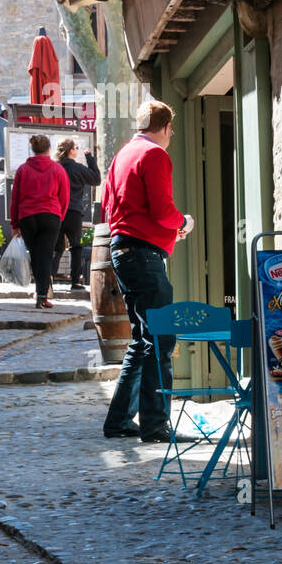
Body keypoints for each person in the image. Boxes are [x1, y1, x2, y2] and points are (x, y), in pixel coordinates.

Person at [100, 100, 194, 442]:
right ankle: (155, 426)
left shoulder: (122, 154)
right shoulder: (154, 155)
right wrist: (183, 223)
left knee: (144, 339)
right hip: (143, 254)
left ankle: (120, 421)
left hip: (123, 250)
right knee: (160, 337)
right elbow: (161, 210)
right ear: (166, 127)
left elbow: (109, 209)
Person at [10, 134, 70, 309]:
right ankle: (42, 295)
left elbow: (15, 199)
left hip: (28, 216)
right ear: (49, 149)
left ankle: (40, 293)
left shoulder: (23, 170)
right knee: (45, 255)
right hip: (50, 215)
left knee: (36, 255)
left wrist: (15, 224)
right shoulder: (58, 170)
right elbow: (64, 197)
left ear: (33, 150)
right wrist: (60, 217)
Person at [51, 139, 101, 292]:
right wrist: (90, 159)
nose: (77, 150)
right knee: (76, 247)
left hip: (57, 211)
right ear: (71, 151)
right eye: (76, 148)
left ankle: (49, 278)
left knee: (56, 248)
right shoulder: (77, 168)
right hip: (73, 211)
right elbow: (96, 179)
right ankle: (75, 281)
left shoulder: (55, 167)